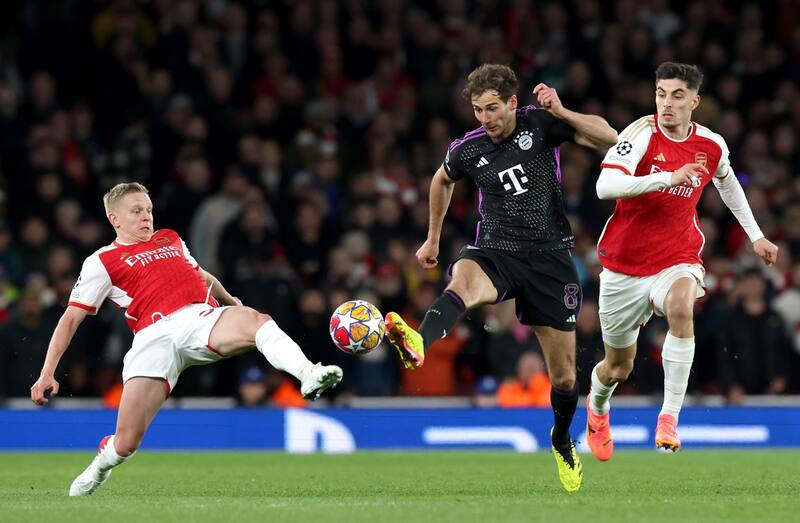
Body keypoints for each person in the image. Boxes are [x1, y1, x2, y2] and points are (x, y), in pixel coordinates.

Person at [383, 63, 618, 492]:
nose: (485, 119)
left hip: (550, 259)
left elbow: (610, 138)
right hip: (496, 250)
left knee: (565, 378)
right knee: (463, 282)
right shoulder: (468, 148)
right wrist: (432, 239)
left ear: (513, 102)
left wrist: (563, 111)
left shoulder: (542, 124)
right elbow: (441, 180)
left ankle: (562, 439)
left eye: (492, 108)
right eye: (477, 110)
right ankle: (419, 340)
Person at [29, 182, 342, 496]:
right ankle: (100, 466)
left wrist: (232, 303)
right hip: (153, 339)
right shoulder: (102, 261)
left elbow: (202, 276)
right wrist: (47, 373)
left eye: (148, 210)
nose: (146, 217)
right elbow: (71, 318)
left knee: (258, 321)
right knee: (126, 443)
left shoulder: (170, 238)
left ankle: (308, 373)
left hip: (197, 318)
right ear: (115, 219)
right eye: (136, 211)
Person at [586, 62, 778, 461]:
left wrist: (756, 235)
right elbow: (605, 186)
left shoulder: (711, 145)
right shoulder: (639, 133)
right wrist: (666, 178)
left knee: (680, 305)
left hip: (677, 256)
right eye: (660, 93)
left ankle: (669, 418)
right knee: (617, 368)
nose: (666, 103)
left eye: (676, 95)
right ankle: (598, 406)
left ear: (695, 101)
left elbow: (728, 185)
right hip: (623, 265)